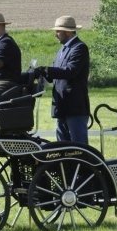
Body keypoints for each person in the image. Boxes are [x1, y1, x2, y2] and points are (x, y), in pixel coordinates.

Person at [34, 16, 90, 144]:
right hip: (62, 106)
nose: (56, 34)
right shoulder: (62, 51)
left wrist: (47, 70)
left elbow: (71, 71)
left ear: (68, 32)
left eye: (58, 31)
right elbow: (55, 74)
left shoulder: (79, 48)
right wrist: (40, 73)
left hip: (75, 107)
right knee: (62, 147)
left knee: (78, 147)